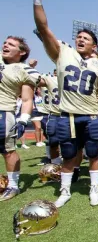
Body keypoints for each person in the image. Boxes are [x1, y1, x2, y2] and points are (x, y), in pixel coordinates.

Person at [28, 0, 98, 207]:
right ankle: (64, 191)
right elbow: (43, 28)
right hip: (67, 115)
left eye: (85, 38)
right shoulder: (63, 53)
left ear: (94, 45)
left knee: (94, 155)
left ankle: (94, 190)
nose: (80, 39)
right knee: (68, 156)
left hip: (91, 115)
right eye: (79, 36)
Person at [0, 36, 40, 201]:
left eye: (11, 44)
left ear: (21, 51)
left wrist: (23, 119)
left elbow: (26, 99)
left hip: (3, 111)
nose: (5, 45)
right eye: (5, 42)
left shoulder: (24, 70)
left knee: (8, 151)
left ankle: (13, 185)